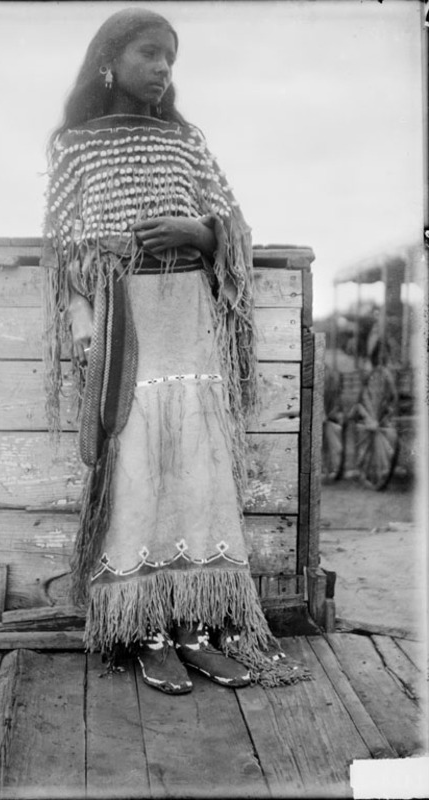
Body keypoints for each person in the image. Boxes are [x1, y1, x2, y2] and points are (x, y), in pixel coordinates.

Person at [41, 7, 307, 693]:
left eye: (170, 59)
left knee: (196, 461)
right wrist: (81, 320)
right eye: (150, 54)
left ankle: (194, 627)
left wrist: (200, 230)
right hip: (123, 319)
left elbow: (235, 229)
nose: (162, 69)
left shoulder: (187, 144)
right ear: (110, 60)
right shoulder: (74, 146)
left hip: (188, 314)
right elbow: (65, 246)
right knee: (136, 465)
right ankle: (143, 630)